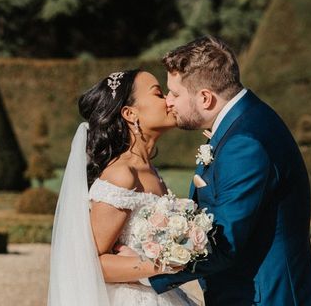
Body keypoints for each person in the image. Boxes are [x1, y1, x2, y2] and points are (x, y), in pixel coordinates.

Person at [148, 36, 311, 305]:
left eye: (175, 93)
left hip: (264, 297)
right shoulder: (246, 121)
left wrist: (143, 272)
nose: (168, 102)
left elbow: (223, 243)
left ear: (205, 98)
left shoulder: (244, 143)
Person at [47, 69, 198, 305]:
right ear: (129, 113)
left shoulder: (151, 171)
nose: (169, 100)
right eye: (159, 94)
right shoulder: (122, 174)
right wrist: (159, 264)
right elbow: (92, 262)